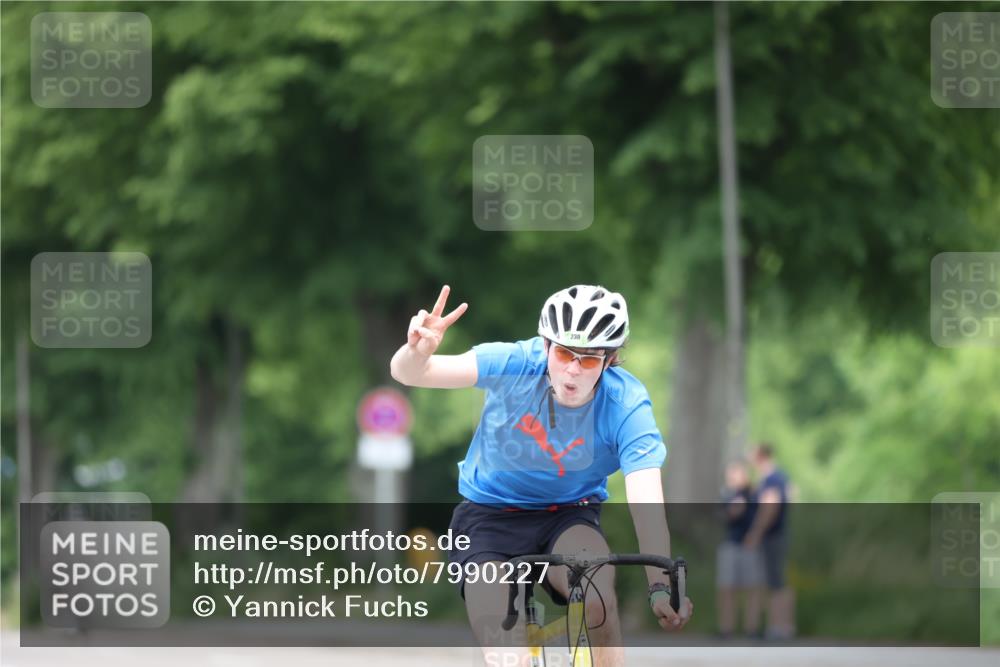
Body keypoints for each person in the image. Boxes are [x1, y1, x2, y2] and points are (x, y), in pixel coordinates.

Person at [390, 284, 693, 667]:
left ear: (610, 359)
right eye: (564, 353)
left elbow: (646, 499)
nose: (572, 369)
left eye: (588, 360)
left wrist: (659, 586)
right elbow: (409, 373)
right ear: (546, 345)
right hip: (487, 518)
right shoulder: (514, 363)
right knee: (504, 644)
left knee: (598, 591)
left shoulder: (626, 404)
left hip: (568, 515)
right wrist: (417, 353)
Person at [743, 442, 795, 640]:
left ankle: (779, 627)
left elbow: (769, 508)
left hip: (772, 537)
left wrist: (755, 533)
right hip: (776, 536)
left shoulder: (772, 479)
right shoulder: (776, 478)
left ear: (761, 456)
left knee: (775, 582)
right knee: (777, 581)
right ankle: (782, 626)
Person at [715, 459, 764, 639]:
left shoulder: (753, 493)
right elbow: (720, 515)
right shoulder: (727, 494)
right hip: (730, 543)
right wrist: (731, 511)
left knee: (752, 587)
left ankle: (752, 628)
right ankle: (726, 629)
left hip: (749, 544)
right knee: (726, 588)